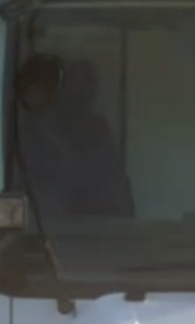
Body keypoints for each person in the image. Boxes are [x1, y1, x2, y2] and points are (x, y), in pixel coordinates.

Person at [14, 52, 132, 219]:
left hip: (94, 228)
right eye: (74, 89)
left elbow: (113, 183)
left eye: (86, 90)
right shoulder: (29, 129)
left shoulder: (97, 129)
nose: (80, 96)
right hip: (42, 228)